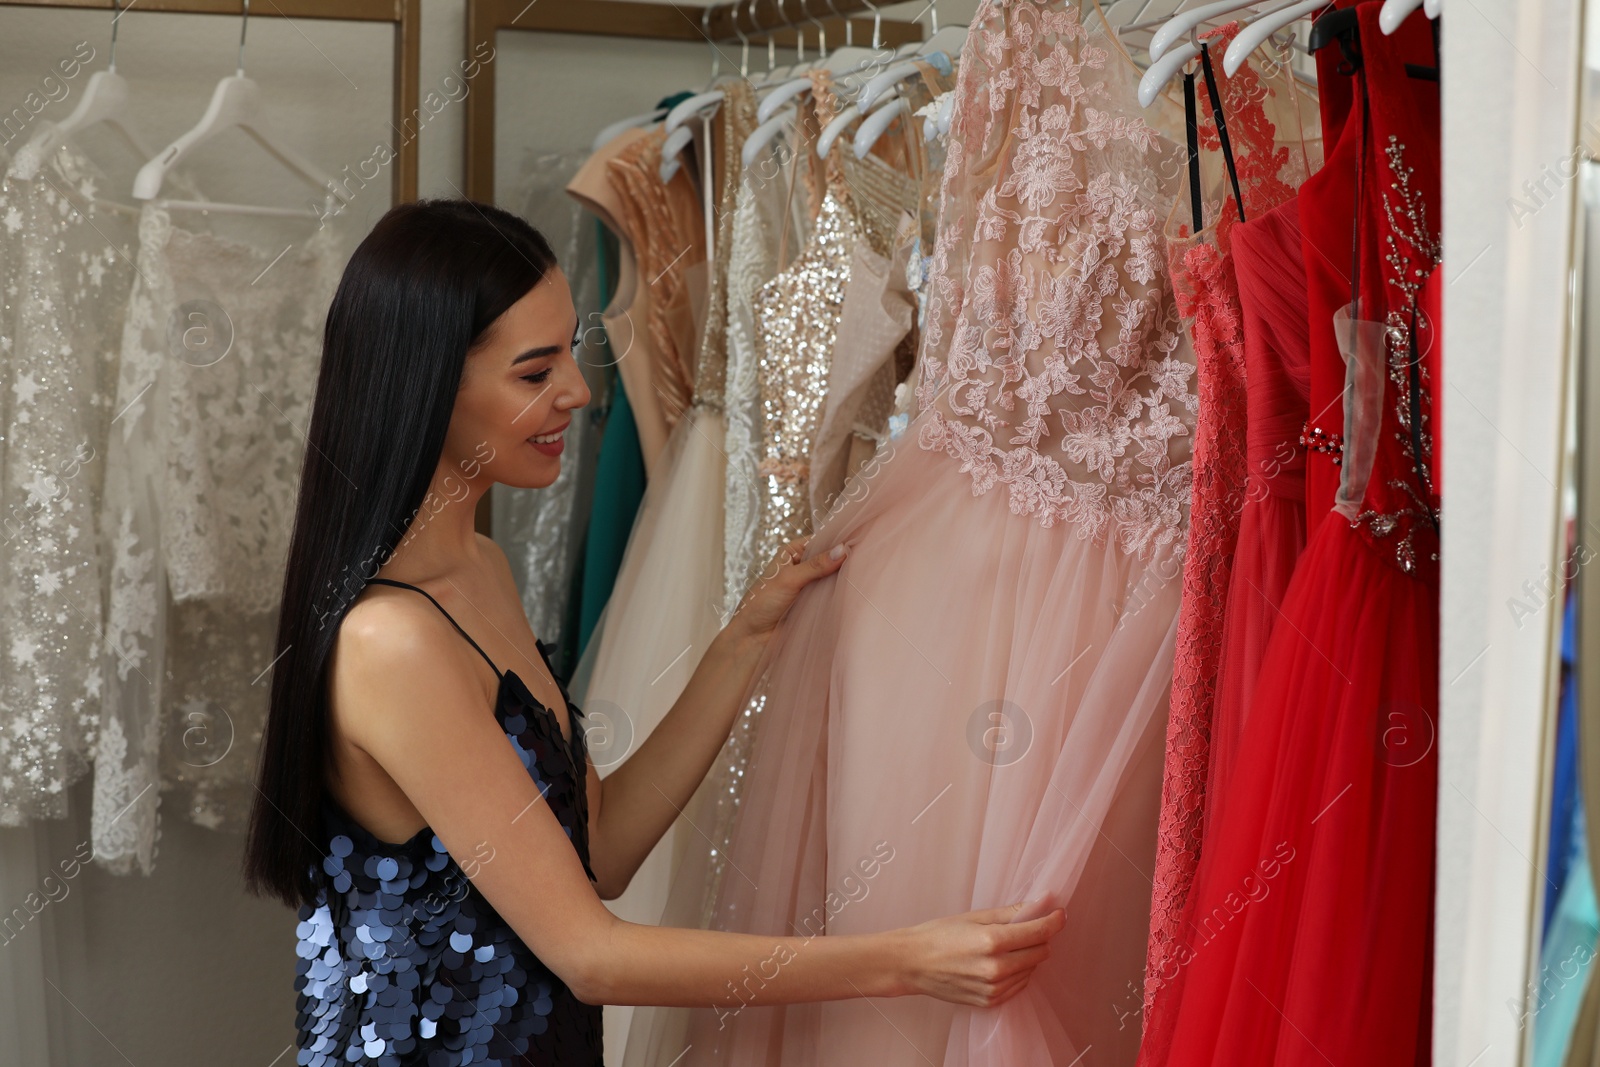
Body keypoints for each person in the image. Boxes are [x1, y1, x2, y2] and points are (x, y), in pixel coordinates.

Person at [243, 198, 1065, 1066]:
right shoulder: (391, 640)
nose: (579, 390)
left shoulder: (478, 571)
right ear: (430, 389)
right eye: (535, 372)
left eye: (570, 350)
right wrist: (905, 961)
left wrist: (746, 640)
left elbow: (597, 851)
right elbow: (589, 953)